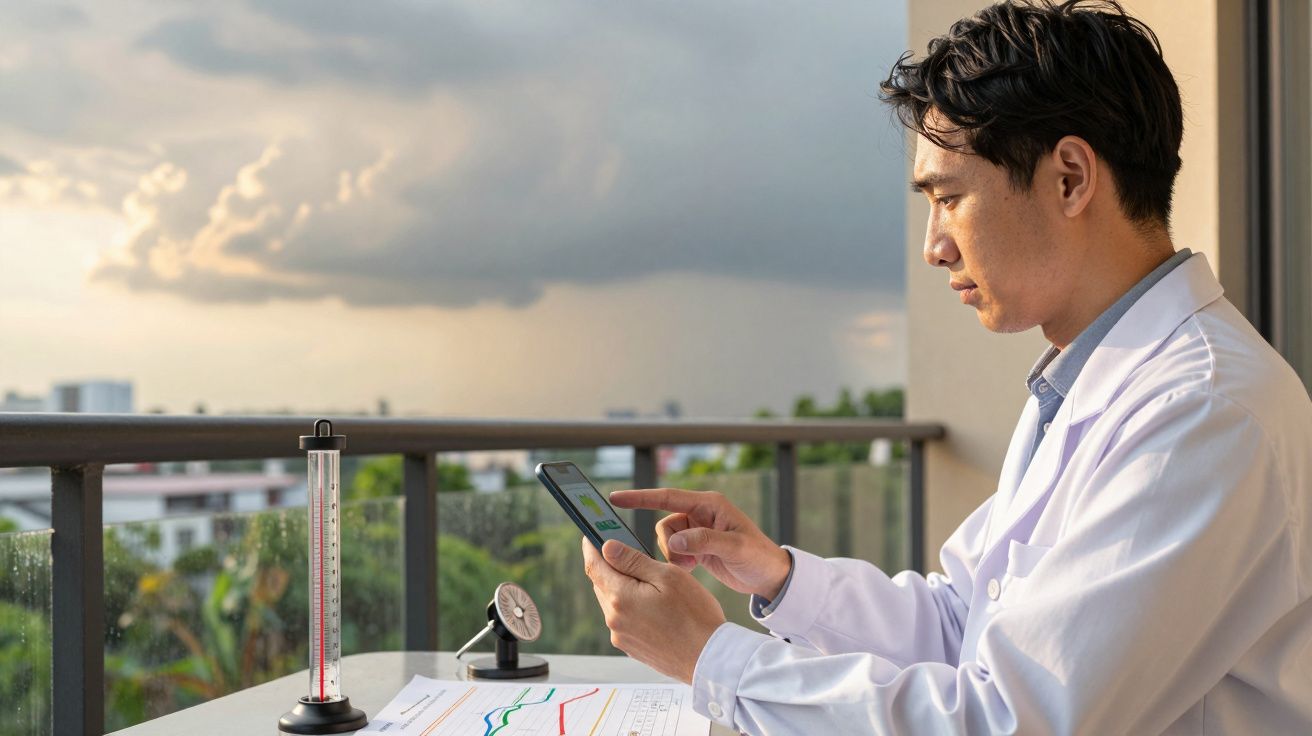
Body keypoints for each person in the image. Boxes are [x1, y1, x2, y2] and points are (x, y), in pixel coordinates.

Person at [580, 1, 1312, 733]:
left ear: (1069, 179)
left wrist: (711, 660)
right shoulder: (1086, 380)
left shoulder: (1203, 413)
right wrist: (780, 577)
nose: (935, 246)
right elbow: (965, 619)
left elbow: (1006, 719)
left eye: (950, 199)